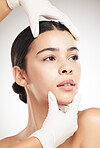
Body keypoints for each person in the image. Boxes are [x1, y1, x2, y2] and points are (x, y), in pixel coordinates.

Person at [1, 20, 100, 148]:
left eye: (73, 57)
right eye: (50, 58)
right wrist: (45, 138)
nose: (67, 67)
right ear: (21, 76)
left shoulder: (93, 123)